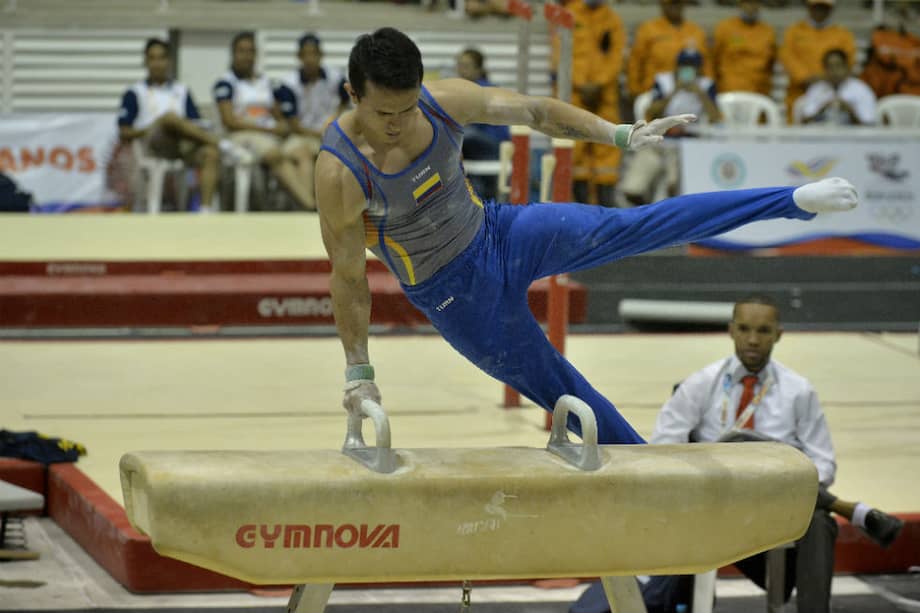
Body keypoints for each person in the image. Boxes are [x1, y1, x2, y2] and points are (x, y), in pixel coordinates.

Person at [316, 27, 858, 449]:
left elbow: (534, 111)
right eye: (383, 112)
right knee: (568, 394)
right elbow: (348, 278)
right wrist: (358, 372)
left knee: (637, 224)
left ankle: (790, 201)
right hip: (455, 295)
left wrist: (617, 132)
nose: (397, 123)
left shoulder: (444, 101)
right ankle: (653, 475)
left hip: (500, 232)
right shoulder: (339, 172)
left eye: (406, 109)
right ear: (352, 94)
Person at [571, 295, 905, 613]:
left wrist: (777, 472)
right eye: (745, 329)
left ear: (778, 335)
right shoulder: (701, 385)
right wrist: (726, 465)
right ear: (731, 330)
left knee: (819, 523)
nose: (753, 340)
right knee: (736, 443)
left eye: (763, 331)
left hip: (776, 506)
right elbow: (661, 452)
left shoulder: (798, 391)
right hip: (713, 506)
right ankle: (853, 510)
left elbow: (824, 465)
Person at [118, 38, 234, 212]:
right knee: (169, 118)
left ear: (169, 61)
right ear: (146, 61)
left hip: (180, 144)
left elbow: (194, 122)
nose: (158, 63)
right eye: (153, 58)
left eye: (162, 58)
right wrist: (151, 127)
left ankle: (205, 211)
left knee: (210, 153)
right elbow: (124, 131)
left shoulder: (182, 90)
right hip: (151, 143)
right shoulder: (135, 92)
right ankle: (223, 144)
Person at [213, 31, 314, 210]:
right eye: (242, 51)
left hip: (269, 133)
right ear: (233, 54)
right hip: (242, 134)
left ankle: (303, 206)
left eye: (251, 51)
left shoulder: (266, 82)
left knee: (303, 152)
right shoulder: (226, 83)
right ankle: (310, 207)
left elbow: (277, 114)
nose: (247, 56)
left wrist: (282, 124)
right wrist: (268, 130)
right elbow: (229, 121)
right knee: (275, 155)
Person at [620, 48, 722, 206]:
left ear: (700, 68)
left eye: (693, 66)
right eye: (684, 65)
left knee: (669, 188)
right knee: (632, 188)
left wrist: (700, 93)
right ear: (677, 66)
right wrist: (674, 91)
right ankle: (640, 202)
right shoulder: (663, 81)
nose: (688, 70)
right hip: (661, 140)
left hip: (688, 144)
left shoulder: (706, 84)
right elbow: (651, 111)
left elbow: (716, 117)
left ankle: (663, 200)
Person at [557, 0, 626, 207]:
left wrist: (598, 84)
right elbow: (560, 53)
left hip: (604, 96)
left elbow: (616, 56)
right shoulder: (568, 16)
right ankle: (581, 208)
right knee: (575, 149)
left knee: (607, 147)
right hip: (574, 94)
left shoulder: (612, 20)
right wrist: (581, 84)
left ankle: (606, 207)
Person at [276, 33, 350, 211]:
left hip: (329, 133)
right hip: (300, 135)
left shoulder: (336, 77)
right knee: (303, 154)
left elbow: (346, 100)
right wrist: (320, 133)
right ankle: (309, 207)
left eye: (314, 54)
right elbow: (293, 125)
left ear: (320, 55)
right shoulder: (288, 84)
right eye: (305, 54)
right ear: (299, 57)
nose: (310, 59)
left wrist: (335, 118)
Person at [778, 0, 856, 122]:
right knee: (796, 134)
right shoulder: (794, 32)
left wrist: (825, 79)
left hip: (831, 95)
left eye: (824, 8)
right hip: (799, 92)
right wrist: (806, 78)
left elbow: (848, 61)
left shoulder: (842, 34)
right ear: (809, 8)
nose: (820, 11)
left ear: (830, 10)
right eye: (816, 7)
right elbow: (787, 57)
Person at [455, 48, 510, 202]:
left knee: (464, 134)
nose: (461, 70)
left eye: (466, 66)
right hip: (475, 149)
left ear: (478, 69)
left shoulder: (483, 90)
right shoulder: (462, 90)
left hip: (494, 143)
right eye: (459, 65)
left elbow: (469, 123)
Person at [627, 0, 710, 102]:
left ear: (683, 4)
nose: (674, 7)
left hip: (689, 95)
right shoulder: (648, 29)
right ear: (662, 4)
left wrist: (708, 92)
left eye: (677, 3)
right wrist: (634, 90)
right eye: (669, 3)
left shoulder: (696, 31)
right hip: (654, 93)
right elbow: (635, 62)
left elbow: (706, 65)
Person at [712, 0, 777, 97]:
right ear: (740, 4)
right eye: (747, 2)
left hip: (758, 90)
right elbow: (714, 60)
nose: (751, 7)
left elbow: (771, 65)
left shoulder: (768, 32)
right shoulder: (725, 28)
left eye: (755, 3)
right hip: (730, 89)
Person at [799, 48, 878, 125]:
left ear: (847, 67)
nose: (834, 71)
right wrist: (821, 110)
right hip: (821, 136)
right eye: (829, 67)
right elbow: (803, 123)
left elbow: (869, 126)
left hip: (853, 137)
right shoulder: (816, 89)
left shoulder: (861, 89)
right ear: (824, 69)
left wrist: (850, 112)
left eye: (838, 66)